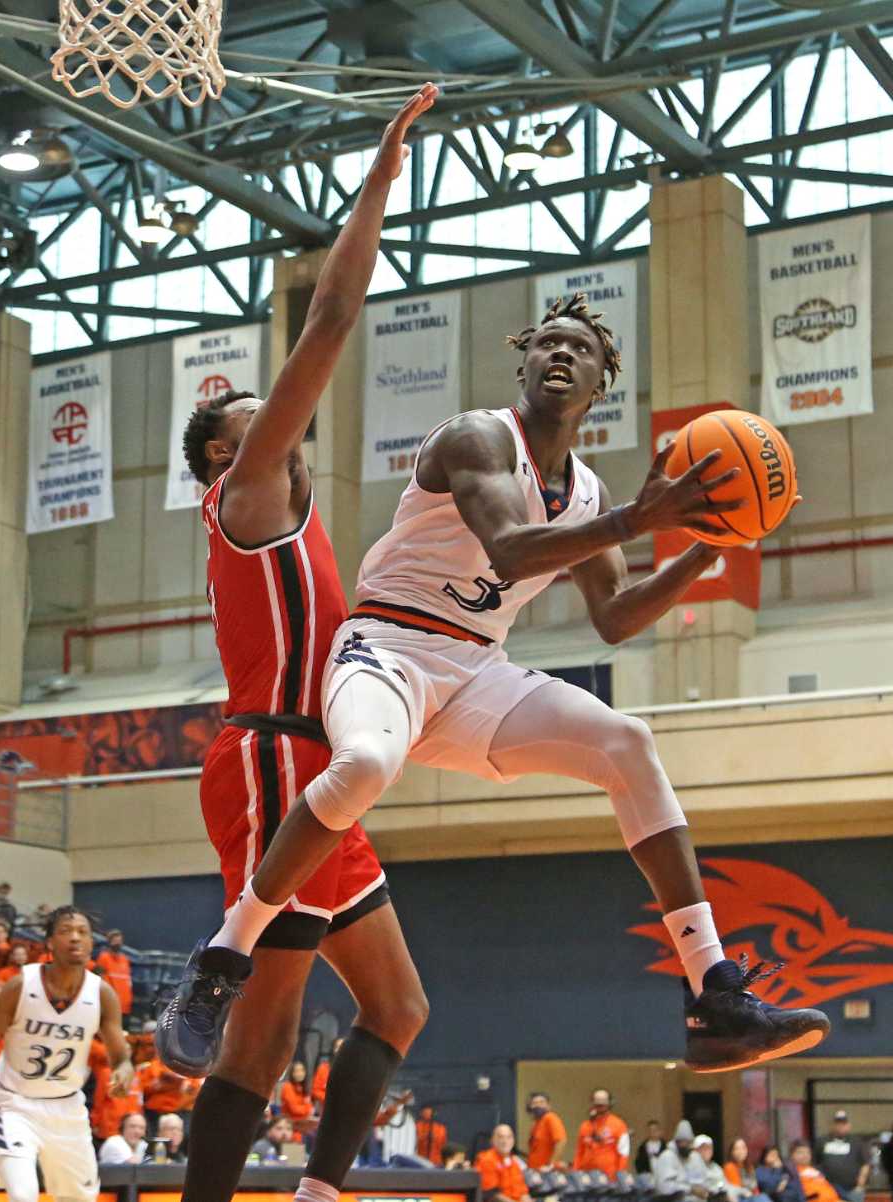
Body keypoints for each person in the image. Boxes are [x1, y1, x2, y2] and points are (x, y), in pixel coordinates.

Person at [158, 282, 829, 1075]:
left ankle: (713, 990)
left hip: (476, 669)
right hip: (388, 647)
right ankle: (225, 956)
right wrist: (641, 521)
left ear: (600, 383)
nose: (558, 353)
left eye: (579, 348)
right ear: (525, 364)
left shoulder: (587, 491)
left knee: (627, 741)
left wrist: (706, 548)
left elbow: (613, 617)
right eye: (547, 341)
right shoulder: (478, 438)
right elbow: (511, 548)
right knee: (366, 765)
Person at [150, 86, 440, 1202]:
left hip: (305, 767)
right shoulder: (250, 492)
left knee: (396, 1006)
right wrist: (380, 172)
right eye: (241, 423)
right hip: (273, 761)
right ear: (219, 461)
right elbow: (327, 322)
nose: (271, 421)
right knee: (260, 1039)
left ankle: (318, 1189)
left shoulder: (301, 509)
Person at [0, 905, 131, 1202]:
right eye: (66, 931)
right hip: (15, 1105)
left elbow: (121, 1058)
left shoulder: (102, 993)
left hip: (68, 1109)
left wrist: (124, 1072)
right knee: (23, 1194)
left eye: (83, 932)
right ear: (49, 943)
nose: (75, 938)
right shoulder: (22, 985)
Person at [574, 1090, 628, 1176]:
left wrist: (620, 1176)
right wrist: (576, 1172)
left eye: (603, 1103)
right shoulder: (585, 1126)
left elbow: (623, 1153)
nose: (600, 1105)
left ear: (609, 1103)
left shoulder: (619, 1125)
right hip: (587, 1177)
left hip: (609, 1177)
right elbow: (579, 1152)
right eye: (597, 1103)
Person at [816, 1112, 867, 1202]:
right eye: (838, 1124)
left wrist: (860, 1185)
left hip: (852, 1190)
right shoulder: (822, 1142)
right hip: (828, 1189)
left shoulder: (856, 1142)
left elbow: (865, 1164)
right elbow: (816, 1163)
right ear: (832, 1125)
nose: (840, 1127)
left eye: (843, 1124)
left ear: (848, 1125)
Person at [479, 1123, 530, 1202]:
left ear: (513, 1140)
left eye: (509, 1137)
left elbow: (523, 1192)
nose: (505, 1141)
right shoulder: (487, 1160)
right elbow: (492, 1194)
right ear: (492, 1140)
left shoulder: (514, 1162)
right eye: (500, 1137)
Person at [526, 1093, 567, 1170]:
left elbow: (561, 1141)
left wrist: (551, 1164)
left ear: (548, 1106)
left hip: (546, 1172)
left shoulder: (551, 1118)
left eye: (541, 1102)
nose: (538, 1105)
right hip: (534, 1170)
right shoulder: (535, 1125)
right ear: (531, 1106)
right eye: (535, 1103)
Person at [96, 929, 133, 1013]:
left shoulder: (125, 959)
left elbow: (128, 982)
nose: (118, 943)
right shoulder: (103, 958)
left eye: (119, 941)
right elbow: (99, 979)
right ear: (109, 942)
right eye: (115, 941)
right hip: (109, 1005)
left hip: (125, 1005)